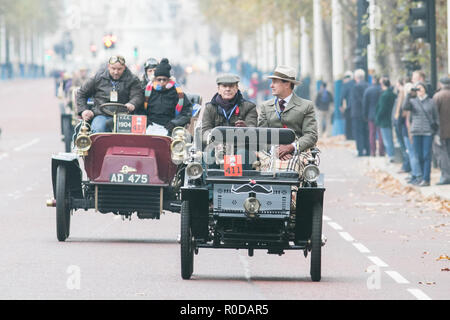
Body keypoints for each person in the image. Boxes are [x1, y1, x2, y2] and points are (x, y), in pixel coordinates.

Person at [258, 65, 318, 160]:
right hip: (271, 154)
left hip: (298, 154)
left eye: (275, 82)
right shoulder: (265, 106)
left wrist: (291, 147)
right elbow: (261, 135)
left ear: (287, 84)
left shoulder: (306, 106)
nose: (271, 86)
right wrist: (276, 150)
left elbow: (311, 135)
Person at [201, 74, 258, 169]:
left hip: (240, 147)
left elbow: (253, 130)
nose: (228, 89)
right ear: (218, 89)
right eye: (224, 86)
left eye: (231, 86)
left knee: (242, 154)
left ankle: (240, 183)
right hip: (217, 147)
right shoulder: (210, 108)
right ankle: (211, 183)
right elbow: (204, 133)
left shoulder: (249, 107)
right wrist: (216, 140)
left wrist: (246, 128)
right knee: (210, 153)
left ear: (237, 88)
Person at [77, 55, 144, 133]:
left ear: (124, 67)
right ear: (108, 66)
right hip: (101, 114)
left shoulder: (132, 79)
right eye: (113, 68)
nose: (116, 72)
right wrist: (84, 110)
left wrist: (132, 103)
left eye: (119, 69)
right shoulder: (98, 77)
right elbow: (81, 93)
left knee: (128, 136)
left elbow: (137, 95)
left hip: (124, 116)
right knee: (97, 130)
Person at [403, 82, 440, 187]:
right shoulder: (413, 101)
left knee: (426, 155)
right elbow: (405, 107)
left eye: (421, 88)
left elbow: (436, 117)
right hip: (416, 131)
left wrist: (437, 133)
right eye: (417, 89)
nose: (419, 91)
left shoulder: (431, 102)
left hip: (428, 132)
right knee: (418, 155)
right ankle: (420, 177)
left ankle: (426, 179)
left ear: (425, 89)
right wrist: (409, 93)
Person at [143, 58, 192, 136]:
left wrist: (174, 123)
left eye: (164, 79)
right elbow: (139, 109)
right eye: (159, 79)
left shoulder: (177, 92)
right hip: (149, 126)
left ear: (168, 80)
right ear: (155, 79)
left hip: (170, 127)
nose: (161, 82)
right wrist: (145, 121)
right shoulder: (147, 91)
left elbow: (186, 112)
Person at [432, 76, 450, 185]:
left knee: (441, 153)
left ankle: (446, 176)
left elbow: (434, 115)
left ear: (440, 84)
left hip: (441, 130)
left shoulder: (437, 96)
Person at [375, 78, 397, 162]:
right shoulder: (393, 94)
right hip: (391, 118)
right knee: (389, 138)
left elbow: (382, 108)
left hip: (384, 120)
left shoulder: (384, 95)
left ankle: (390, 155)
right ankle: (391, 154)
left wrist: (377, 118)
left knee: (387, 139)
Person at [392, 79, 411, 174]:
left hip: (403, 128)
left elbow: (401, 116)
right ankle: (406, 165)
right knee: (404, 147)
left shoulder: (404, 101)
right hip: (399, 126)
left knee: (406, 148)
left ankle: (407, 165)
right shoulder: (399, 99)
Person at [350, 69, 370, 157]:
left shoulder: (355, 87)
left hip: (357, 113)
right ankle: (368, 150)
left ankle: (360, 151)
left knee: (358, 132)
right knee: (366, 132)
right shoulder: (368, 85)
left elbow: (356, 100)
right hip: (367, 113)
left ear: (356, 77)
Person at [363, 75, 384, 157]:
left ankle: (373, 151)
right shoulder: (382, 90)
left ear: (373, 80)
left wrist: (365, 115)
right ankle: (381, 151)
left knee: (372, 133)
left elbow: (365, 104)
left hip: (371, 115)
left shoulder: (368, 90)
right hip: (381, 114)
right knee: (381, 133)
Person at [340, 71, 356, 141]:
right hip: (356, 106)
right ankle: (354, 135)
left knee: (348, 121)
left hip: (348, 106)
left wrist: (340, 105)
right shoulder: (355, 83)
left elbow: (342, 96)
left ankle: (349, 136)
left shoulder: (346, 85)